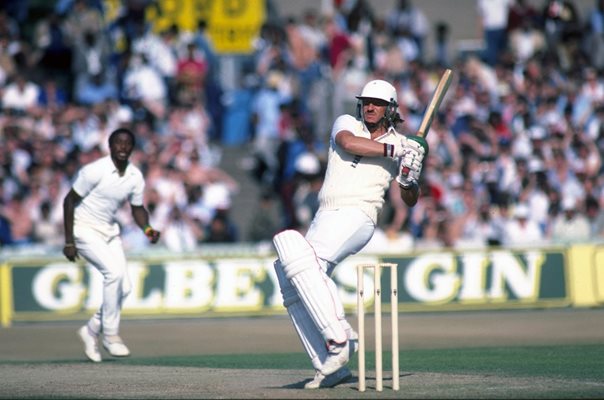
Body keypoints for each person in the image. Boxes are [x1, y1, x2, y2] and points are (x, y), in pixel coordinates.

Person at [271, 79, 426, 389]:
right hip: (325, 214)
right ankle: (329, 365)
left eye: (377, 103)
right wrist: (398, 150)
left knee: (303, 264)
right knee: (289, 272)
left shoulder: (401, 143)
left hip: (358, 214)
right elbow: (349, 144)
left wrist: (410, 178)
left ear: (390, 109)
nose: (369, 106)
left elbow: (409, 199)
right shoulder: (348, 124)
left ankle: (340, 338)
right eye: (366, 100)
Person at [63, 127, 160, 363]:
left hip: (109, 231)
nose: (123, 148)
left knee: (124, 287)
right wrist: (69, 241)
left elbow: (137, 209)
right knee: (114, 274)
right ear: (110, 146)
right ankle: (110, 335)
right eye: (118, 143)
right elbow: (69, 201)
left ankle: (91, 329)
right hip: (83, 229)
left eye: (127, 144)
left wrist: (147, 229)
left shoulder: (135, 176)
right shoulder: (94, 170)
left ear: (133, 148)